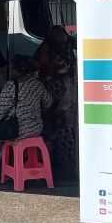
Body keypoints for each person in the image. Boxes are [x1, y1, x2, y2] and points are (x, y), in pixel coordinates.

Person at [0, 55, 52, 184]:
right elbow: (48, 102)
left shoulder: (12, 85)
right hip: (36, 129)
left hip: (17, 130)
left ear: (17, 70)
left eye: (12, 68)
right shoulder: (37, 84)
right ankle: (8, 160)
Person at [36, 25, 78, 178]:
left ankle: (53, 163)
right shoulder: (56, 49)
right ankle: (62, 165)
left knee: (56, 128)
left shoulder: (51, 48)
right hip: (60, 96)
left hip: (57, 96)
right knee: (61, 128)